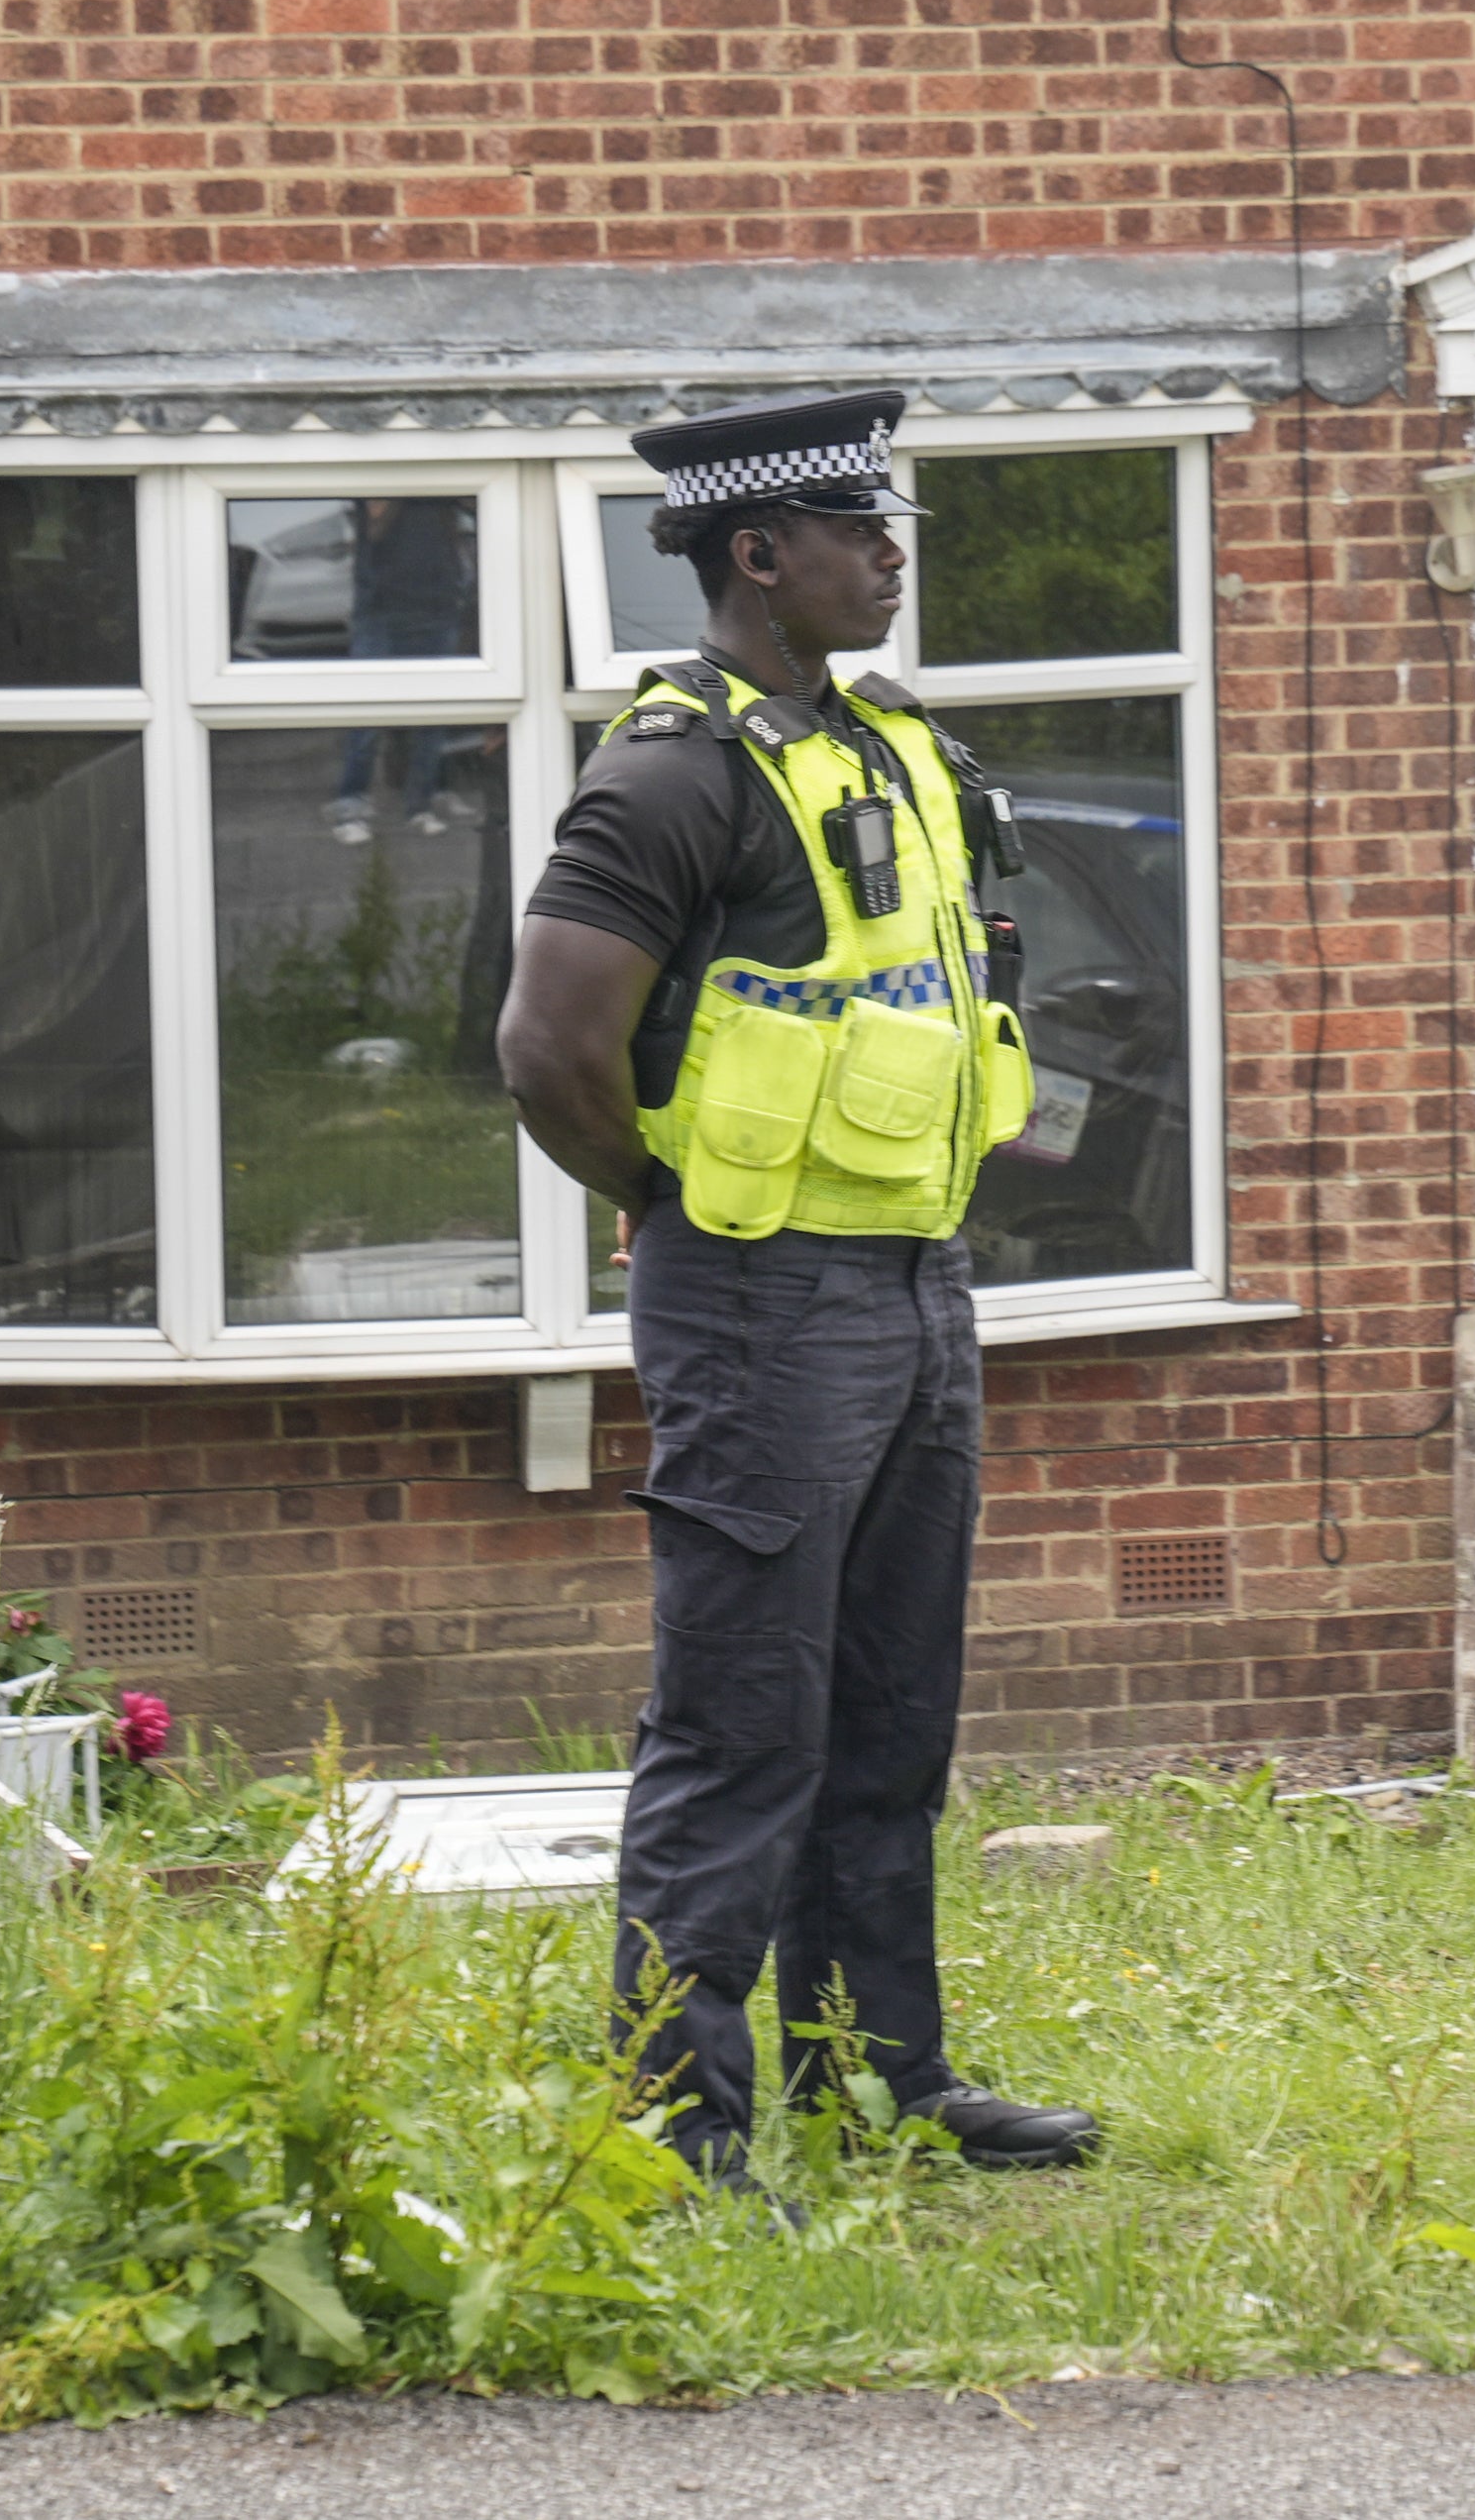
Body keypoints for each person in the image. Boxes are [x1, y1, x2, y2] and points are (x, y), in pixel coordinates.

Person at [493, 390, 1097, 2190]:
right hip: (760, 1306)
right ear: (758, 553)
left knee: (893, 1710)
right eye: (858, 526)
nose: (891, 552)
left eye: (889, 521)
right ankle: (678, 2130)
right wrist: (667, 1201)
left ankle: (877, 2079)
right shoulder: (673, 772)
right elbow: (547, 1048)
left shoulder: (891, 744)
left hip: (916, 1289)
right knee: (744, 1723)